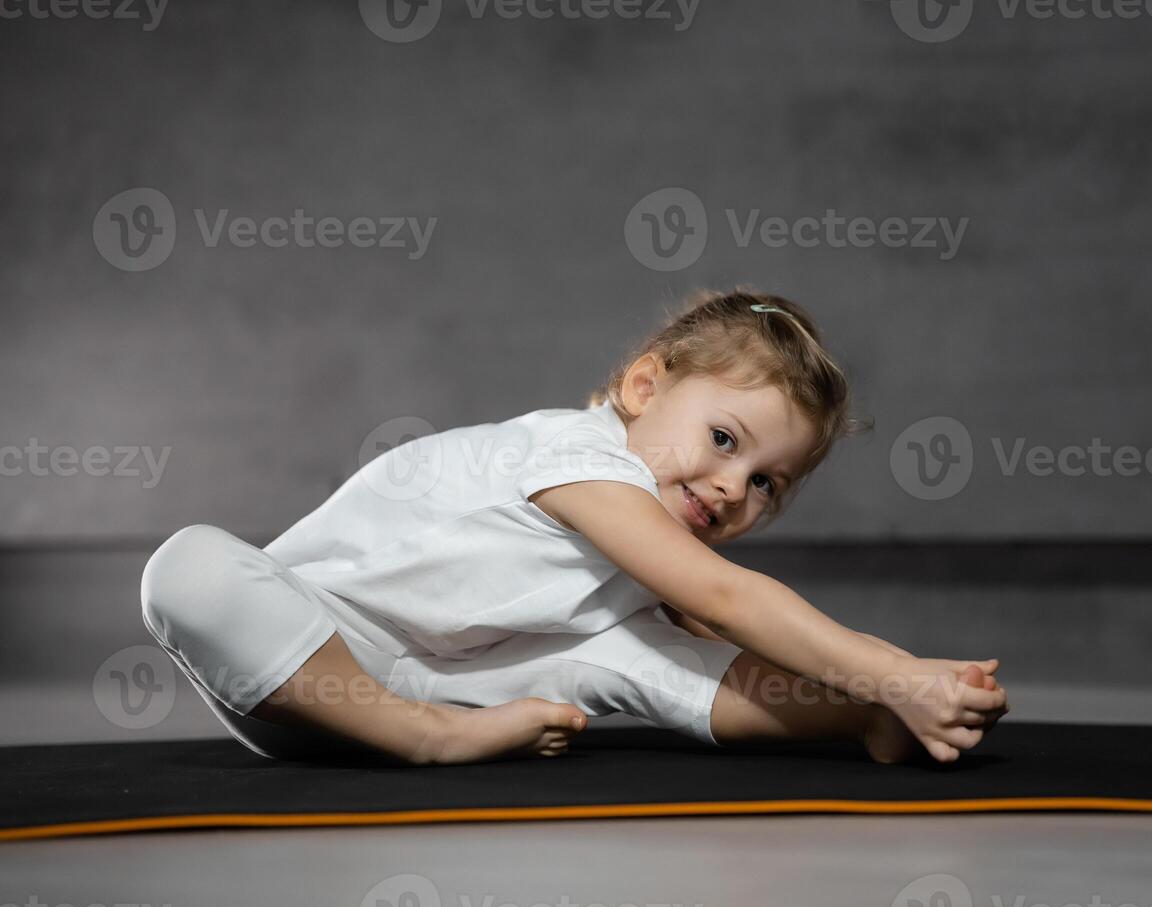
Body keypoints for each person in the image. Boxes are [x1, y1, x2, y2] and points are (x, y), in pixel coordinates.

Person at [139, 287, 1009, 767]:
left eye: (766, 483)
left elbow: (721, 641)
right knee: (191, 567)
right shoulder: (579, 457)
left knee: (657, 656)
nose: (732, 487)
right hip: (314, 665)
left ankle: (859, 727)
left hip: (456, 678)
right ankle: (427, 743)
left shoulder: (657, 542)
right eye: (722, 440)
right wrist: (894, 667)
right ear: (643, 388)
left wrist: (873, 696)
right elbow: (725, 594)